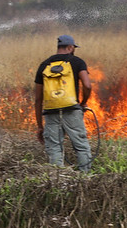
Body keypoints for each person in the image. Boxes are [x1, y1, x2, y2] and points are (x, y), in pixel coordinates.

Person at [34, 35, 93, 172]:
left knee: (54, 148)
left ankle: (58, 182)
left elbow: (38, 99)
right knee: (81, 146)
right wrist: (83, 103)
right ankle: (85, 179)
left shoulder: (44, 65)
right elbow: (87, 85)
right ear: (71, 47)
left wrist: (39, 126)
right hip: (72, 110)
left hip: (51, 113)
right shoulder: (77, 62)